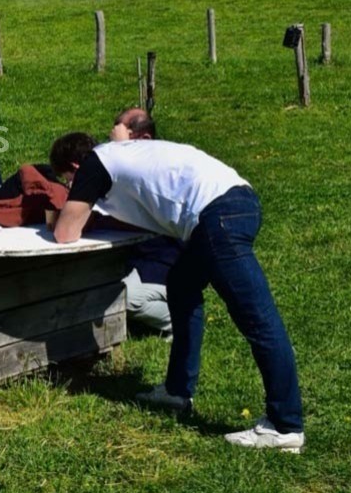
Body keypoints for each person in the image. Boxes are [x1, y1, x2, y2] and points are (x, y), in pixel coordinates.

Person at [53, 132, 305, 452]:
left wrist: (66, 206)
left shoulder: (95, 164)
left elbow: (65, 233)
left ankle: (285, 425)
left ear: (75, 165)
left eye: (68, 180)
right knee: (182, 287)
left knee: (258, 320)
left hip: (217, 217)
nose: (71, 186)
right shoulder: (123, 154)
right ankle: (176, 391)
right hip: (237, 201)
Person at [108, 108, 182, 338]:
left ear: (144, 139)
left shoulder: (158, 170)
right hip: (137, 257)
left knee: (123, 300)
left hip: (165, 262)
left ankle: (178, 320)